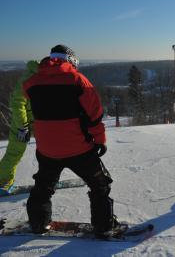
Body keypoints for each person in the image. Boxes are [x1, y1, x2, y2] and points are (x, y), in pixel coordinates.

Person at [23, 45, 120, 238]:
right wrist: (100, 141)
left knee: (43, 186)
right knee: (100, 184)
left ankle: (38, 223)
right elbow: (94, 116)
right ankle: (103, 226)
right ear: (71, 60)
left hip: (46, 149)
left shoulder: (31, 83)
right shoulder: (78, 80)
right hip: (79, 149)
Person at [0, 60, 38, 195]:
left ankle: (48, 179)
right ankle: (2, 181)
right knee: (14, 152)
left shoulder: (39, 74)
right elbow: (17, 103)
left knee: (49, 152)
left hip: (38, 120)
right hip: (23, 122)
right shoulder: (28, 77)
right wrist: (23, 126)